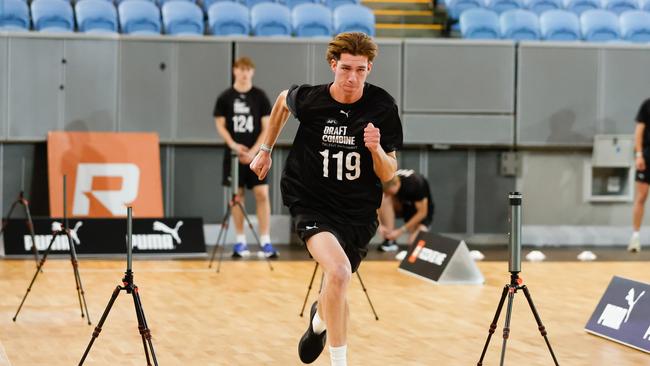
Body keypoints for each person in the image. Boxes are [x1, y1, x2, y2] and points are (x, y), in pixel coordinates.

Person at [249, 32, 403, 366]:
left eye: (360, 70)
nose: (352, 77)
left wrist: (375, 149)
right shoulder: (311, 99)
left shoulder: (382, 106)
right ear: (333, 64)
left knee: (337, 284)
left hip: (358, 212)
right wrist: (265, 149)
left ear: (369, 68)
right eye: (346, 68)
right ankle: (340, 362)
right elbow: (280, 102)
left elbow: (389, 172)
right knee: (340, 272)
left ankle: (320, 320)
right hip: (311, 201)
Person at [213, 56, 278, 258]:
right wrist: (234, 146)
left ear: (252, 72)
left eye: (247, 69)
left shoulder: (260, 96)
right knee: (236, 196)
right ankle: (240, 241)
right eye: (240, 69)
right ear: (235, 71)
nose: (244, 73)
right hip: (234, 155)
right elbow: (220, 125)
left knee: (262, 194)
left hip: (256, 154)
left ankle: (265, 240)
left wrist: (254, 151)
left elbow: (267, 126)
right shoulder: (225, 97)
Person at [377, 169, 434, 253]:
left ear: (396, 184)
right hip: (404, 207)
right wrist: (379, 225)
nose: (387, 194)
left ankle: (422, 233)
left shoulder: (416, 184)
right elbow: (375, 205)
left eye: (388, 192)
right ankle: (389, 239)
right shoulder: (391, 180)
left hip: (420, 213)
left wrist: (401, 231)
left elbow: (422, 213)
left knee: (414, 243)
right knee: (384, 199)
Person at [629, 98, 650, 253]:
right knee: (641, 197)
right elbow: (639, 131)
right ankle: (635, 237)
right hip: (647, 156)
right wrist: (639, 155)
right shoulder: (647, 104)